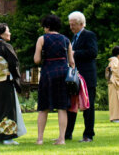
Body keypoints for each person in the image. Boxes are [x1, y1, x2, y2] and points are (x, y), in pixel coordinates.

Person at [34, 13, 73, 144]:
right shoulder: (66, 40)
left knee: (43, 107)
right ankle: (61, 138)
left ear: (47, 26)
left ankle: (40, 139)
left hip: (48, 73)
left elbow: (37, 59)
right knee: (62, 107)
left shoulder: (42, 39)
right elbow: (72, 61)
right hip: (63, 73)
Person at [0, 22, 25, 144]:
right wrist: (17, 79)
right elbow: (14, 64)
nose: (9, 33)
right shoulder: (6, 47)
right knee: (8, 108)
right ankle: (8, 137)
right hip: (6, 81)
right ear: (2, 34)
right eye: (8, 31)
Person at [64, 11, 97, 143]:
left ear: (82, 24)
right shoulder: (73, 38)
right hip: (75, 77)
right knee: (71, 105)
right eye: (70, 24)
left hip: (87, 77)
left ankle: (88, 135)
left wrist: (74, 53)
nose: (71, 27)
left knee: (88, 107)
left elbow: (93, 52)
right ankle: (67, 133)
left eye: (74, 25)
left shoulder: (89, 35)